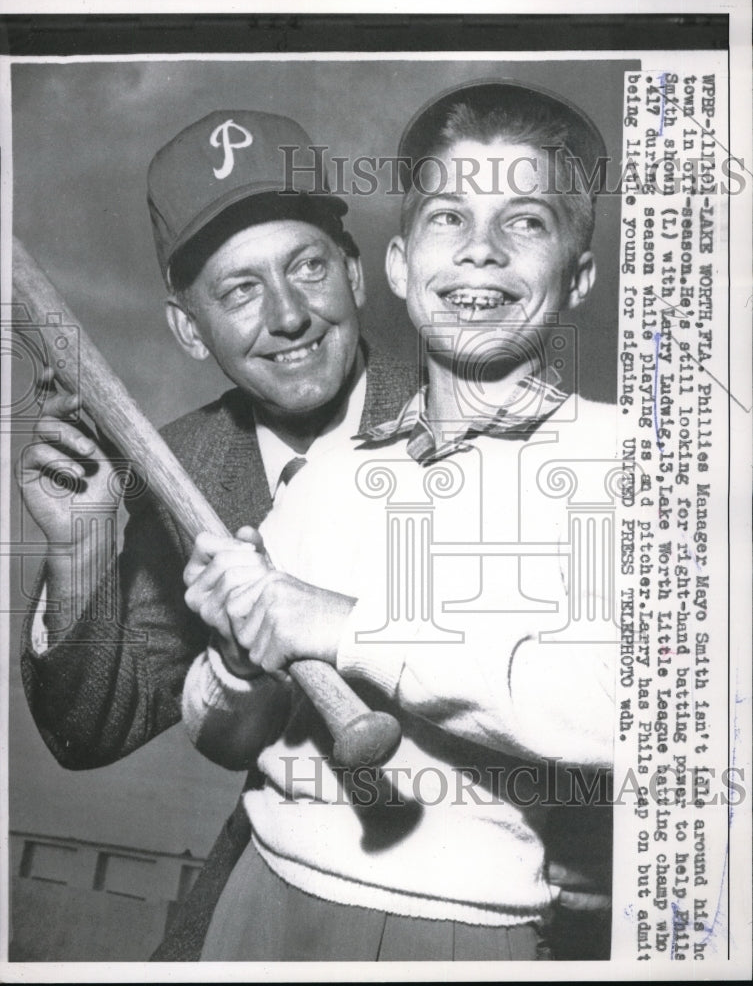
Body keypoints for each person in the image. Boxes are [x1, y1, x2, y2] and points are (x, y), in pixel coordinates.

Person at [180, 80, 619, 961]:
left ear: (576, 276)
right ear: (396, 265)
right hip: (262, 902)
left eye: (525, 221)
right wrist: (236, 661)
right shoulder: (331, 473)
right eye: (448, 218)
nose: (480, 252)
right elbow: (224, 739)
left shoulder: (631, 465)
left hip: (471, 932)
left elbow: (614, 709)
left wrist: (343, 628)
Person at [15, 108, 417, 960]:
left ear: (354, 273)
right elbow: (92, 732)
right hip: (285, 878)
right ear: (189, 329)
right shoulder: (187, 463)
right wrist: (80, 548)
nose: (287, 315)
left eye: (307, 267)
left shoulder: (471, 412)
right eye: (238, 290)